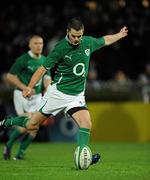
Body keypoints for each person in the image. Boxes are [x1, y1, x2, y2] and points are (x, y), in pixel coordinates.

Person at [0, 17, 128, 166]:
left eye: (79, 36)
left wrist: (118, 35)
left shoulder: (87, 42)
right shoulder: (60, 48)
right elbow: (42, 69)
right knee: (31, 126)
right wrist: (29, 86)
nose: (76, 39)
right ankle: (8, 121)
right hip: (57, 94)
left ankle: (83, 156)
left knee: (86, 123)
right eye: (73, 36)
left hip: (77, 96)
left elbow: (104, 40)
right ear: (68, 32)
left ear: (83, 33)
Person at [3, 35, 52, 160]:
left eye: (41, 43)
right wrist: (24, 87)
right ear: (30, 45)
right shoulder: (23, 60)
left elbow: (47, 78)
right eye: (35, 43)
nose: (38, 46)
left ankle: (19, 153)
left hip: (37, 98)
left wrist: (47, 89)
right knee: (29, 121)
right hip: (22, 95)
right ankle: (9, 144)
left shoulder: (45, 60)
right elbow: (10, 76)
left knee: (33, 127)